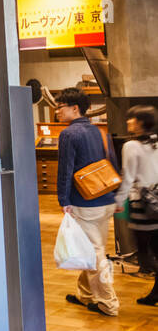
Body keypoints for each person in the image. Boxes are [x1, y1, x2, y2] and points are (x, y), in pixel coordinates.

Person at [55, 87, 119, 315]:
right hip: (105, 198)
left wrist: (63, 199)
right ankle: (86, 294)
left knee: (94, 253)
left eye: (60, 107)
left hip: (85, 202)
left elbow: (65, 170)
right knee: (95, 247)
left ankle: (108, 303)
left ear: (74, 108)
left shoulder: (69, 134)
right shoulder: (98, 131)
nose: (57, 111)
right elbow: (111, 161)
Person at [117, 105, 158, 305]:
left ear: (140, 122)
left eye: (131, 119)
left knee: (143, 255)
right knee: (155, 249)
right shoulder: (156, 142)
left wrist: (118, 201)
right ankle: (155, 294)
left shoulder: (131, 146)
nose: (128, 122)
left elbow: (128, 177)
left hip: (141, 203)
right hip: (157, 200)